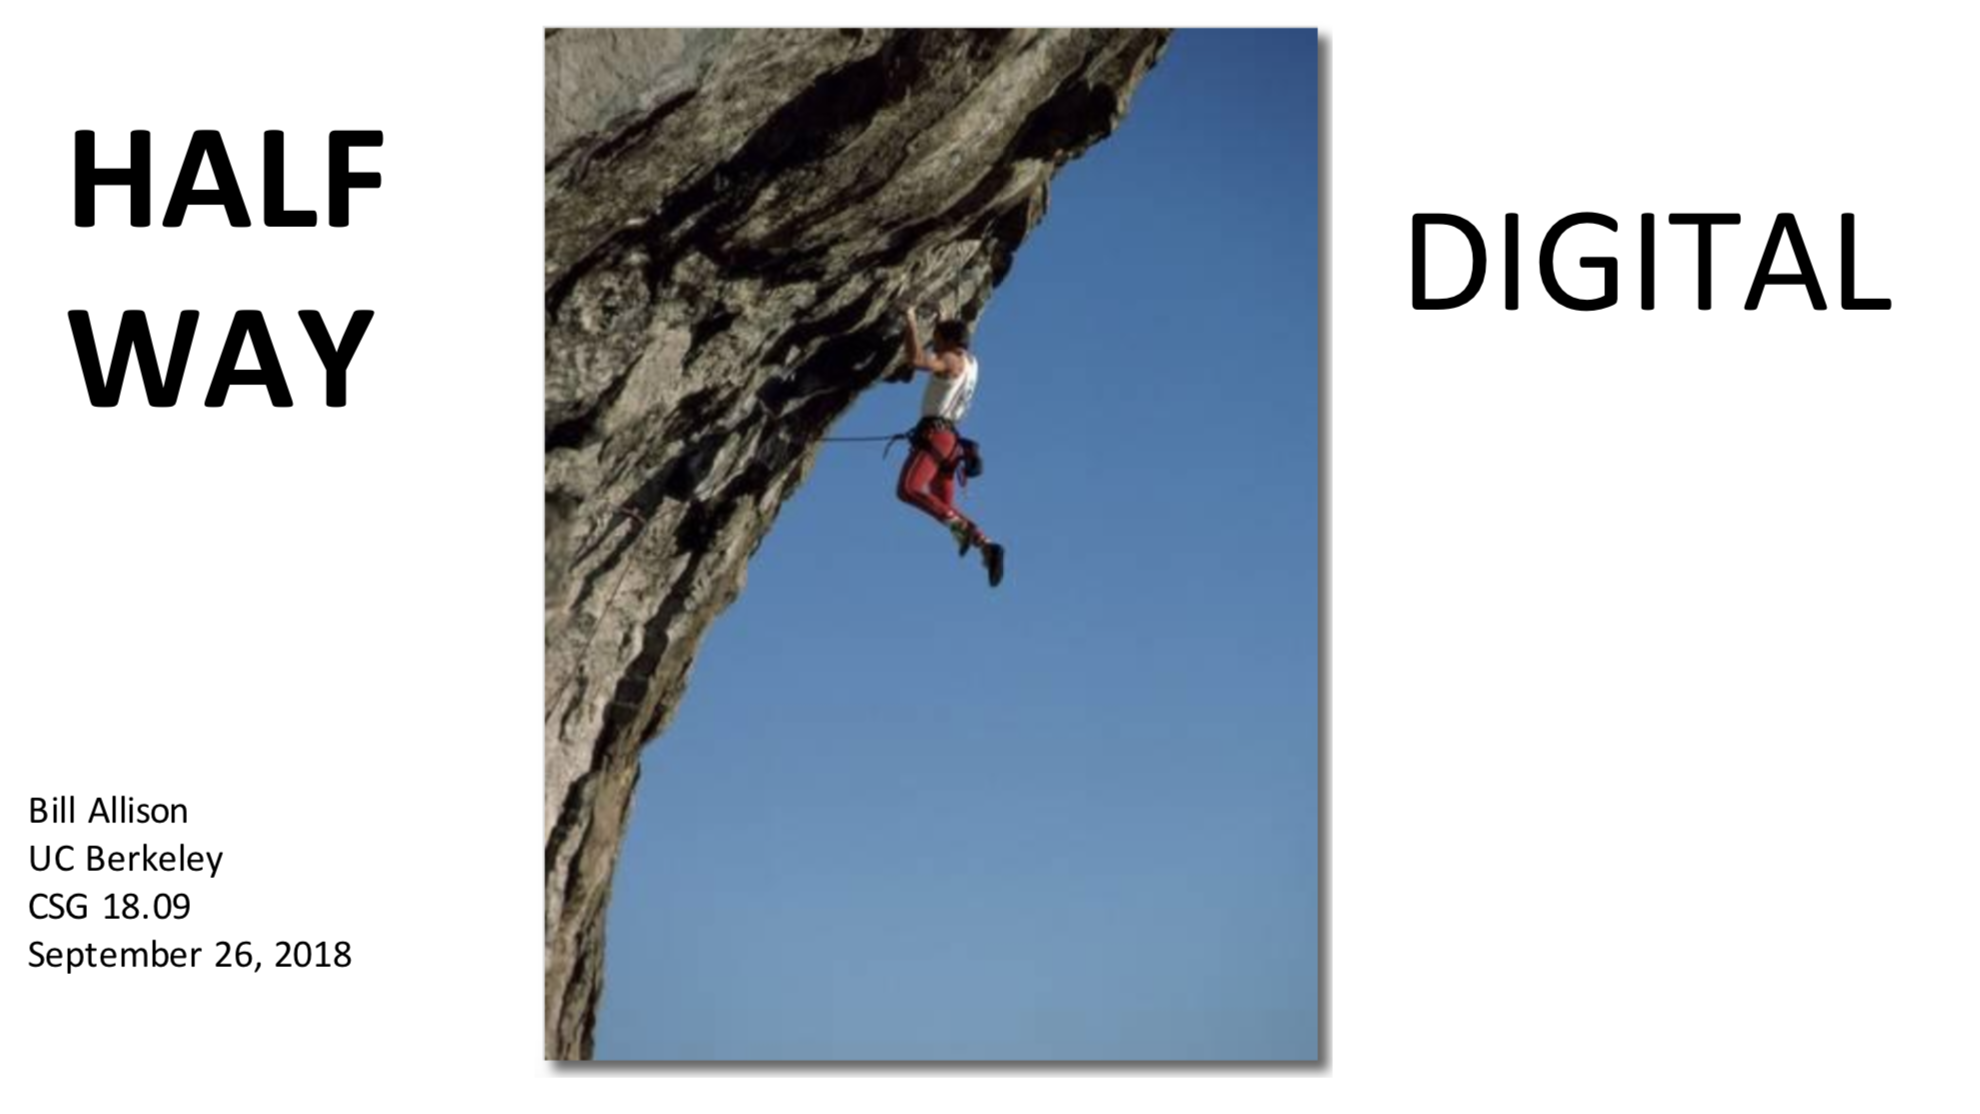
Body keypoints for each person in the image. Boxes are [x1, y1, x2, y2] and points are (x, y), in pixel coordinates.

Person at [893, 307, 1004, 587]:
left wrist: (909, 319)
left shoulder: (951, 360)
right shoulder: (971, 362)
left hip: (936, 438)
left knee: (907, 489)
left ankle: (961, 528)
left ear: (949, 343)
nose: (934, 342)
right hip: (952, 443)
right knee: (944, 504)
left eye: (936, 339)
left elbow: (916, 359)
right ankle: (986, 544)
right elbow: (951, 345)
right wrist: (945, 319)